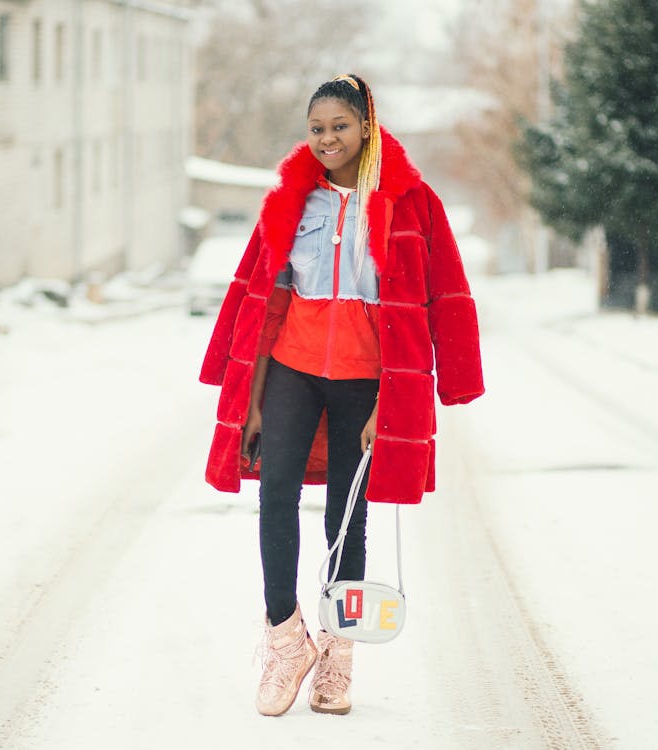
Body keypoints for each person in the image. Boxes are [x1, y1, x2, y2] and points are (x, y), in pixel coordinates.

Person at [199, 74, 484, 717]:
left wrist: (405, 398)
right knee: (275, 499)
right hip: (293, 370)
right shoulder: (292, 200)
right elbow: (253, 293)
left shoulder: (410, 202)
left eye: (340, 127)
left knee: (346, 517)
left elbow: (444, 293)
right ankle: (284, 640)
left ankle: (336, 654)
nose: (328, 139)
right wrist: (248, 398)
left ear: (367, 127)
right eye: (317, 128)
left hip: (366, 380)